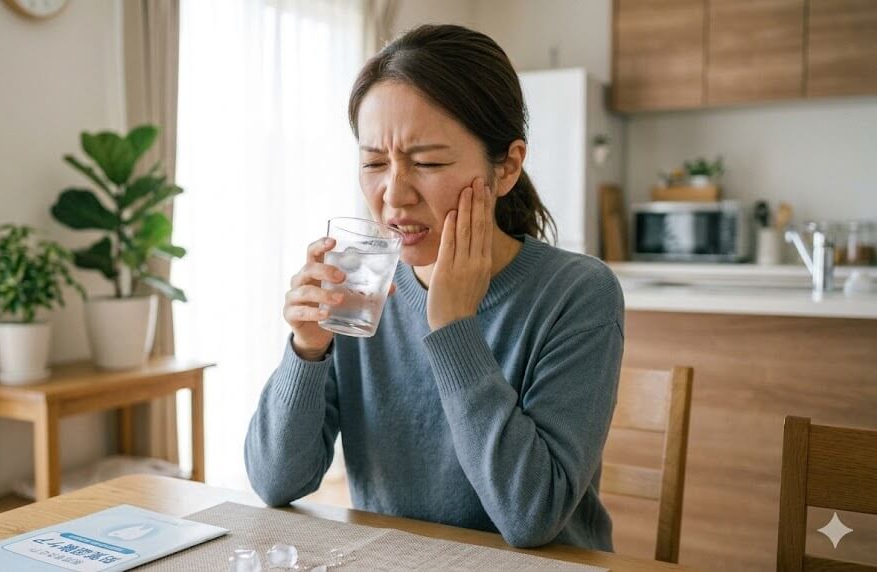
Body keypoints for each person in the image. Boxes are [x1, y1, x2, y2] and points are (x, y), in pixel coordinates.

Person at [244, 24, 624, 551]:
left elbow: (531, 516)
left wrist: (453, 326)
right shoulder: (361, 286)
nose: (393, 195)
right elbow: (275, 482)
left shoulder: (577, 293)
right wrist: (306, 351)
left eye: (427, 163)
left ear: (508, 166)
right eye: (374, 162)